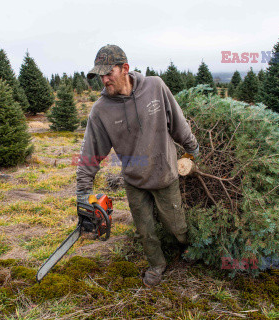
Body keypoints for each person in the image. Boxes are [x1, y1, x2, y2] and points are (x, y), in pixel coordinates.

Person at [76, 44, 199, 287]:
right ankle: (157, 265)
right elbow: (90, 153)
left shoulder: (155, 87)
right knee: (145, 231)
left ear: (125, 69)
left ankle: (187, 248)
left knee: (177, 226)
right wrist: (82, 193)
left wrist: (192, 149)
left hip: (164, 173)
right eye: (100, 75)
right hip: (134, 180)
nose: (104, 79)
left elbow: (177, 121)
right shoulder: (101, 111)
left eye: (108, 73)